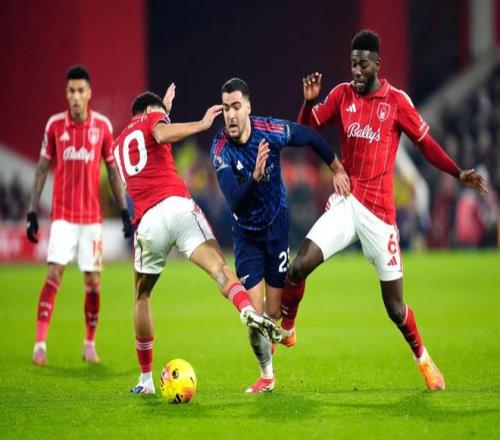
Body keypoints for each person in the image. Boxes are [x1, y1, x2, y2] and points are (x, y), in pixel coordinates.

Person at [280, 30, 488, 391]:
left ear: (377, 63)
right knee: (298, 267)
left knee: (395, 308)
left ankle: (423, 358)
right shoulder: (341, 95)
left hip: (380, 217)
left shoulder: (397, 102)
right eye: (353, 64)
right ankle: (288, 328)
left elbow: (426, 145)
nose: (357, 70)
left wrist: (458, 172)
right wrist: (308, 103)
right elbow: (305, 131)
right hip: (347, 202)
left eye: (363, 64)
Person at [112, 85, 279, 395]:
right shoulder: (152, 121)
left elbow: (147, 143)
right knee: (220, 270)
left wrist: (164, 110)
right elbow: (160, 132)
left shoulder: (118, 145)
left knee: (141, 295)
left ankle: (145, 381)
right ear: (149, 113)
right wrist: (201, 125)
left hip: (148, 223)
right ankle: (247, 309)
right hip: (178, 206)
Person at [210, 78, 350, 393]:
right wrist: (255, 176)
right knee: (255, 316)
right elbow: (234, 201)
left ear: (248, 107)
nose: (230, 115)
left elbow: (308, 136)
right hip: (246, 236)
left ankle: (284, 324)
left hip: (276, 227)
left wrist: (336, 167)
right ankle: (267, 376)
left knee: (273, 311)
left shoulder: (269, 130)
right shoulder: (220, 148)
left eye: (236, 107)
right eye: (226, 108)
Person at [27, 65, 132, 365]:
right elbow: (42, 168)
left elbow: (113, 170)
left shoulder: (102, 127)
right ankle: (39, 344)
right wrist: (32, 210)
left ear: (89, 93)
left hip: (91, 220)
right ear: (67, 93)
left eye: (80, 90)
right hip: (63, 217)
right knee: (54, 274)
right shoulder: (54, 126)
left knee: (93, 282)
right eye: (71, 91)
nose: (75, 96)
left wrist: (124, 210)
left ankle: (89, 343)